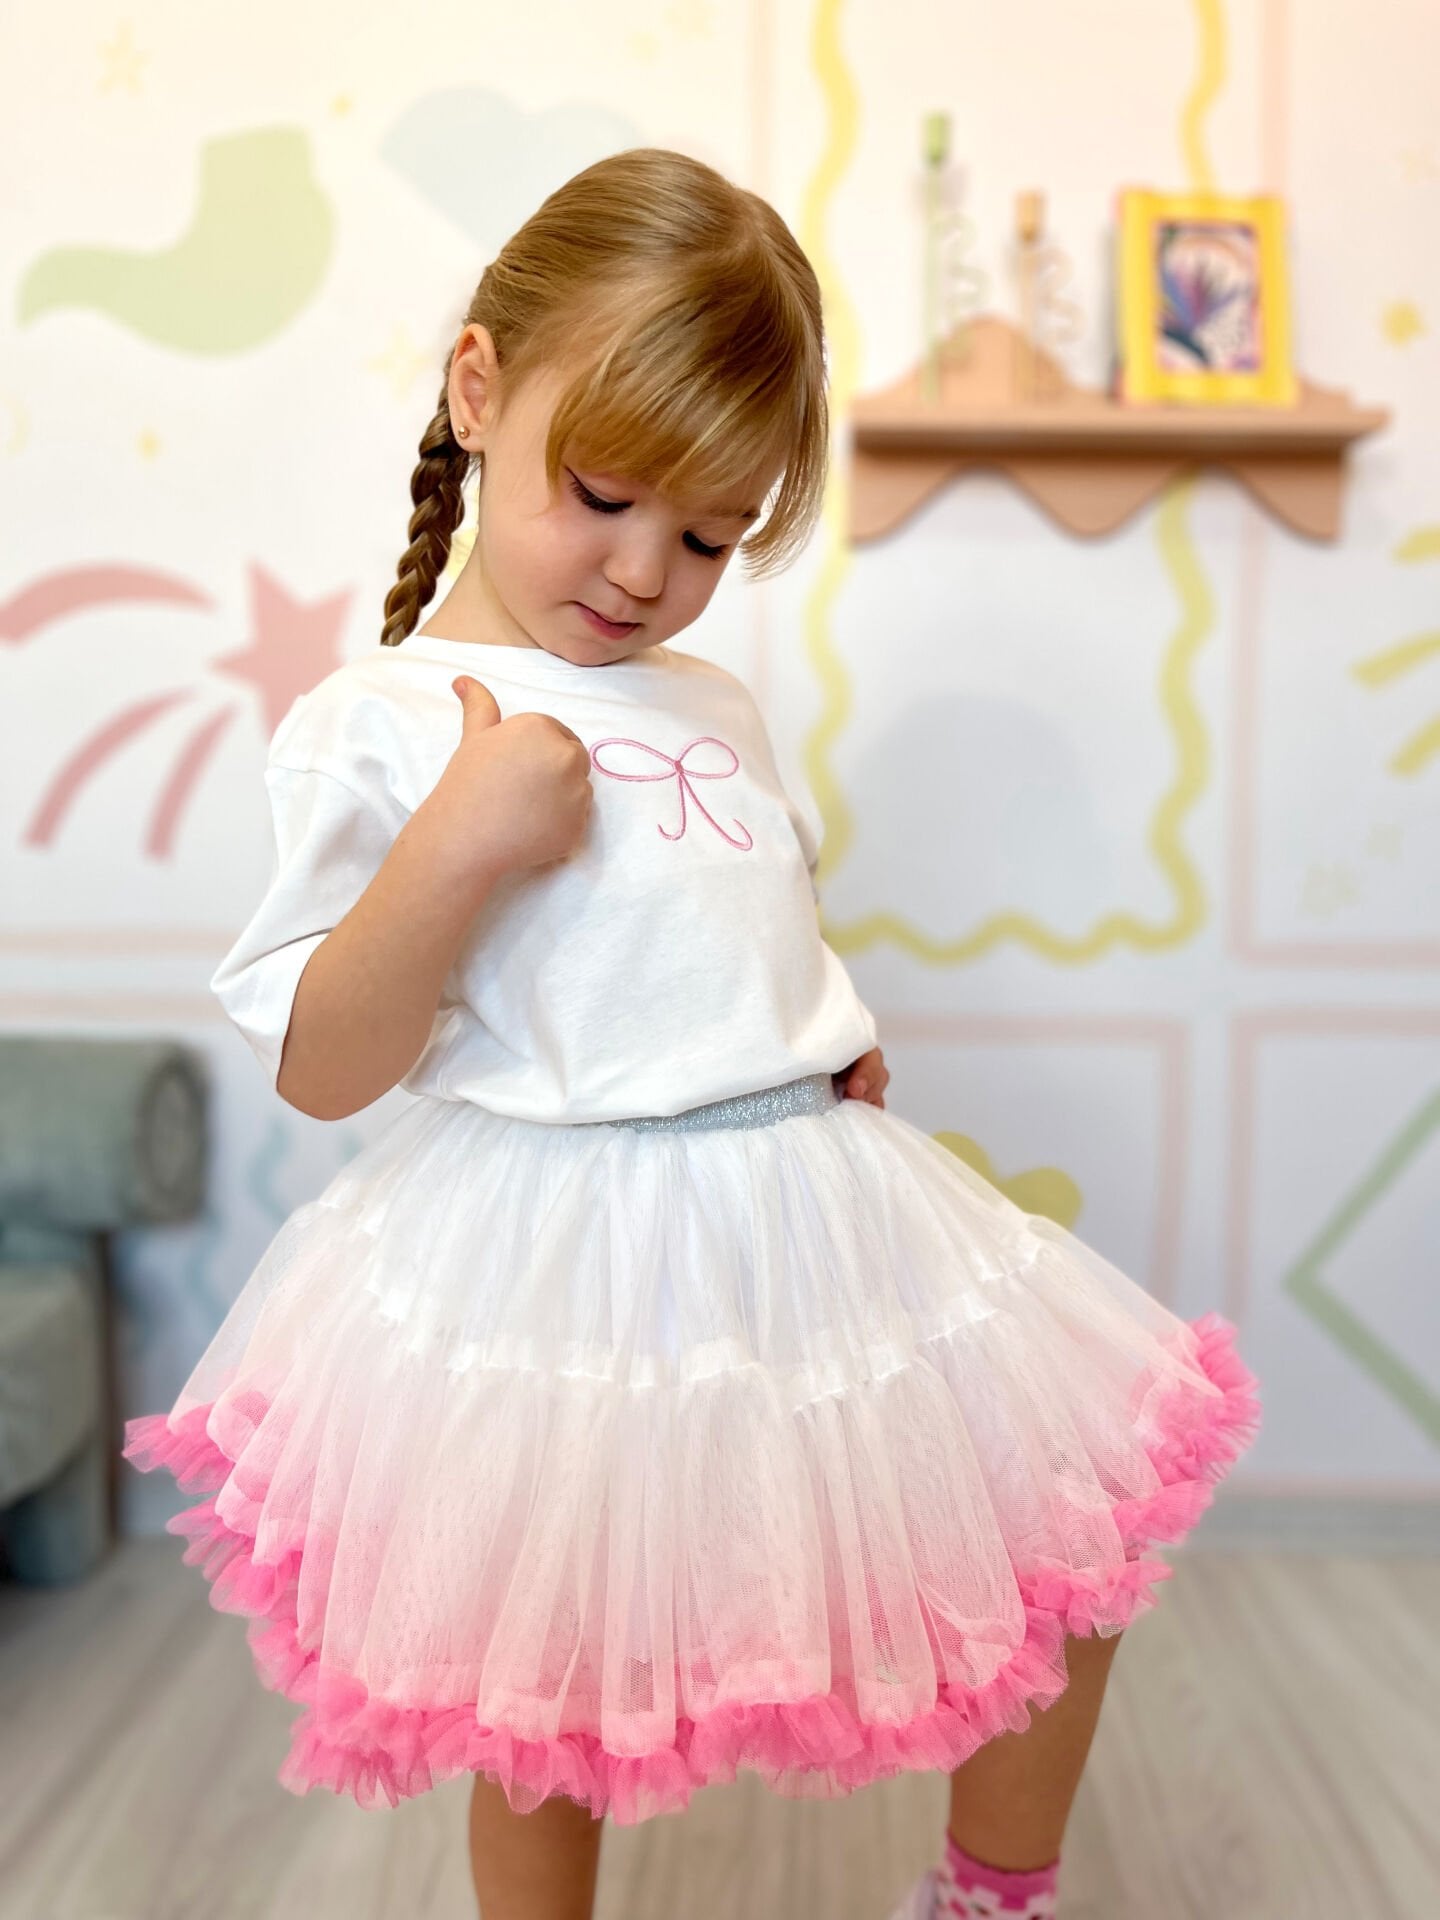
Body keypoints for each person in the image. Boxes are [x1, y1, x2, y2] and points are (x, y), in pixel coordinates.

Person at [123, 147, 1262, 1920]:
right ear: (481, 390)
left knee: (1071, 1542)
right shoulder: (381, 719)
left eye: (714, 535)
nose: (648, 569)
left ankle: (989, 1898)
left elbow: (712, 929)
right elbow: (328, 1061)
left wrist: (815, 1037)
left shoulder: (709, 694)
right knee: (546, 1688)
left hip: (804, 1217)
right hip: (554, 1261)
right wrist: (453, 843)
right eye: (604, 495)